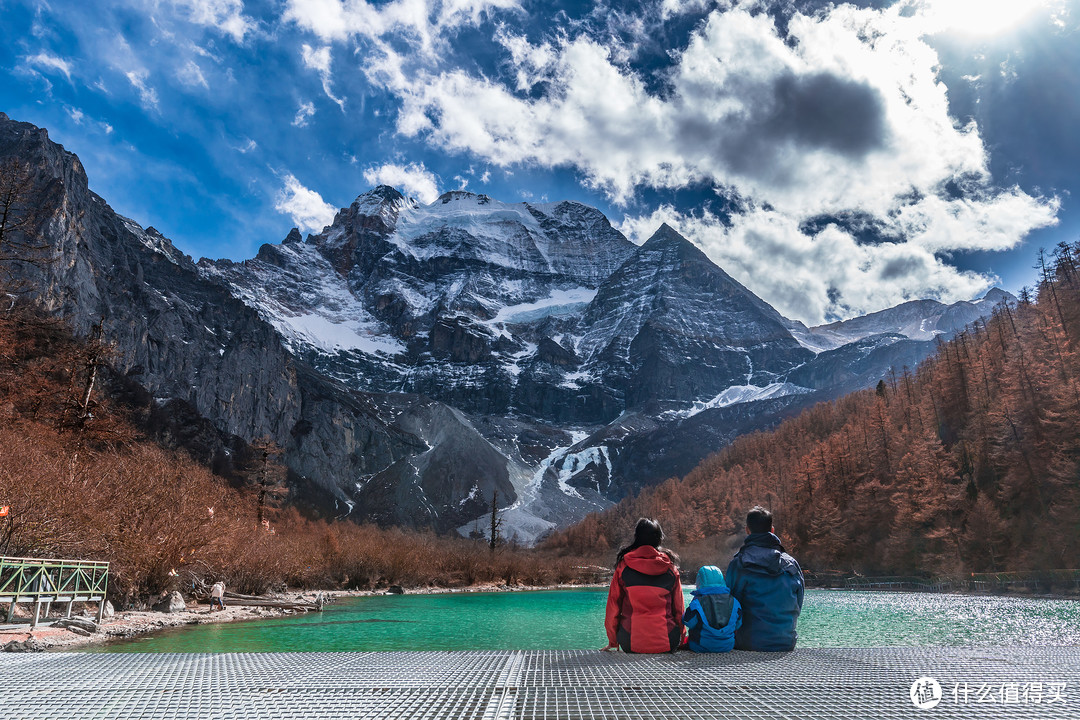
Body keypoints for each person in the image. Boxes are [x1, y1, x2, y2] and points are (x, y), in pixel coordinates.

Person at [726, 506, 804, 651]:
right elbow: (799, 603)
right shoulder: (791, 564)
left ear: (747, 530)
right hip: (786, 642)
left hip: (747, 643)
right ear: (772, 530)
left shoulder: (739, 563)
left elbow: (729, 605)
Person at [603, 518, 685, 653]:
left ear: (637, 537)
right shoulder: (670, 569)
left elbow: (613, 608)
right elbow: (679, 610)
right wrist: (681, 637)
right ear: (659, 539)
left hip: (630, 643)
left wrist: (613, 641)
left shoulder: (624, 566)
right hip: (667, 642)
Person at [683, 565, 741, 653]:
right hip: (727, 646)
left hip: (700, 646)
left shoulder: (697, 603)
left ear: (699, 581)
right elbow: (738, 624)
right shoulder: (734, 601)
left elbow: (688, 622)